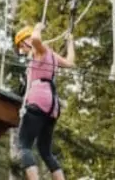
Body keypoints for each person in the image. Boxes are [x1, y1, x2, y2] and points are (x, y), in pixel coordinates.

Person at [14, 22, 75, 180]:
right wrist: (70, 43)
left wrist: (38, 28)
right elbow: (70, 63)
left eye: (22, 45)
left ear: (26, 41)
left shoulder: (39, 51)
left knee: (23, 145)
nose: (22, 50)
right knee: (45, 151)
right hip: (52, 105)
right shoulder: (51, 55)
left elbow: (35, 40)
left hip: (39, 99)